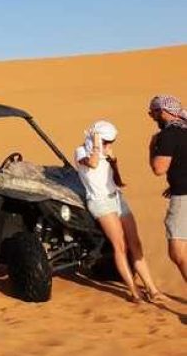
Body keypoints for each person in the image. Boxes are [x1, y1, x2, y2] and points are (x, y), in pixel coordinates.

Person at [74, 120, 166, 302]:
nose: (108, 145)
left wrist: (113, 161)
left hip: (116, 198)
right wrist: (97, 144)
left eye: (110, 142)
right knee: (120, 246)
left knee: (135, 244)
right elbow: (91, 164)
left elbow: (116, 179)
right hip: (100, 202)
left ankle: (153, 290)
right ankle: (134, 291)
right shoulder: (82, 151)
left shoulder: (105, 153)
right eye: (106, 141)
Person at [147, 94, 187, 282]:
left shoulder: (167, 136)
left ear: (162, 112)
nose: (152, 117)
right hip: (181, 190)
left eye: (153, 112)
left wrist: (152, 147)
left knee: (177, 252)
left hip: (183, 198)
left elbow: (158, 169)